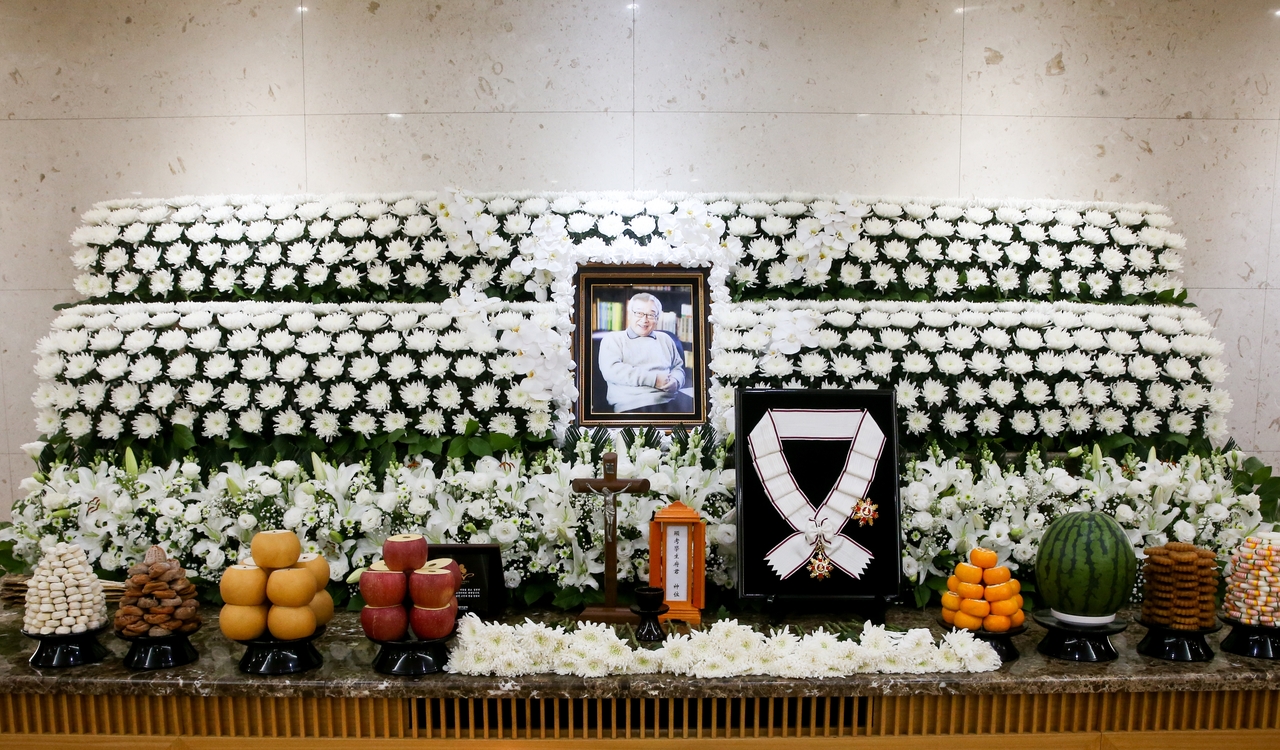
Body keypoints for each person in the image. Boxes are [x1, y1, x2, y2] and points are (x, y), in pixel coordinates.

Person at [597, 293, 694, 414]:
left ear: (657, 318)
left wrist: (676, 381)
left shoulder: (666, 339)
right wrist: (654, 380)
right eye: (639, 313)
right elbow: (612, 371)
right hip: (633, 404)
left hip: (671, 401)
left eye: (651, 315)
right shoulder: (613, 339)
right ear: (629, 314)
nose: (644, 320)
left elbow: (678, 367)